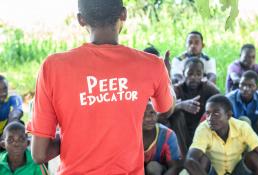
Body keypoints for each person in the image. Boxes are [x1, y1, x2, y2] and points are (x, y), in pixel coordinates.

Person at [28, 0, 175, 174]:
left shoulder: (52, 67)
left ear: (81, 19)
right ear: (123, 14)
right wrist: (168, 79)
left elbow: (39, 153)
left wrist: (75, 137)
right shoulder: (152, 65)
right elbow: (166, 108)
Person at [184, 94, 258, 175]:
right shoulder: (203, 128)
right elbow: (190, 160)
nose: (210, 118)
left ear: (228, 115)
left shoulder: (242, 127)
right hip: (214, 171)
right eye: (208, 113)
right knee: (201, 160)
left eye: (216, 113)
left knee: (255, 157)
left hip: (238, 170)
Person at [169, 58, 220, 153]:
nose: (194, 77)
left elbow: (222, 105)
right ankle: (182, 156)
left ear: (203, 75)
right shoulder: (177, 89)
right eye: (190, 73)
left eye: (198, 74)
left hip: (202, 130)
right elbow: (162, 112)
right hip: (181, 132)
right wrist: (181, 105)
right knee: (177, 115)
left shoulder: (209, 88)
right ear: (183, 73)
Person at [143, 102, 182, 175]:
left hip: (160, 171)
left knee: (153, 167)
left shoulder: (168, 135)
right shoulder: (130, 135)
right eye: (143, 113)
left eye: (152, 112)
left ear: (157, 115)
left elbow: (174, 167)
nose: (148, 117)